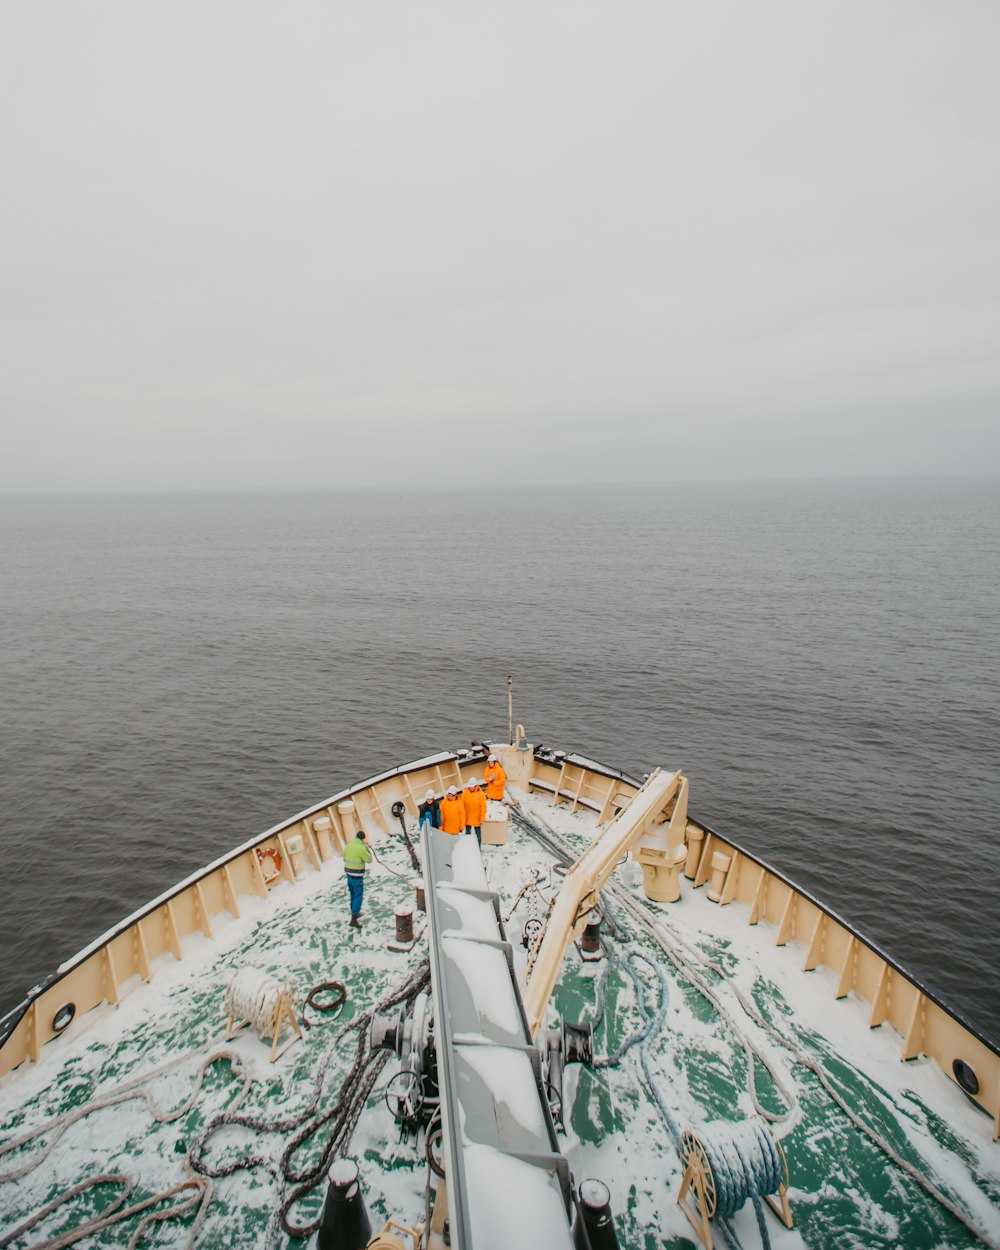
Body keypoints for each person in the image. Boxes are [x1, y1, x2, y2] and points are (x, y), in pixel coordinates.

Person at [342, 830, 372, 928]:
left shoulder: (349, 846)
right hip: (357, 876)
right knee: (358, 896)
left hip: (349, 875)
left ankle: (354, 912)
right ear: (363, 839)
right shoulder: (362, 848)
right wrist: (367, 849)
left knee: (352, 894)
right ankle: (354, 919)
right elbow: (369, 860)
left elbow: (344, 858)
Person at [464, 776, 486, 844]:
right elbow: (462, 806)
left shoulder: (481, 794)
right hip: (468, 818)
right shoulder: (465, 793)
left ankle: (478, 849)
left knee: (478, 837)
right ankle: (468, 848)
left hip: (477, 819)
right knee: (467, 836)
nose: (471, 788)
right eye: (470, 786)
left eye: (472, 786)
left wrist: (482, 819)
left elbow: (483, 807)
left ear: (476, 786)